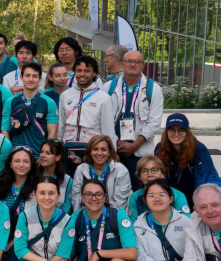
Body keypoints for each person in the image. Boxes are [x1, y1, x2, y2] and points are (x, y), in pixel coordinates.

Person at [105, 50, 163, 186]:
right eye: (129, 61)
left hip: (140, 154)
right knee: (112, 191)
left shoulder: (154, 89)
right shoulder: (108, 87)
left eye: (137, 61)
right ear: (123, 63)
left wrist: (134, 145)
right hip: (113, 151)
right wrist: (114, 142)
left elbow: (154, 123)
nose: (133, 64)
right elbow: (103, 120)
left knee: (141, 191)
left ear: (143, 65)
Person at [155, 114, 221, 210]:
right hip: (173, 191)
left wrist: (199, 205)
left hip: (197, 187)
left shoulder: (199, 149)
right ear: (166, 132)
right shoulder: (160, 148)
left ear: (187, 132)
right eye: (172, 130)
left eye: (181, 130)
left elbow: (204, 180)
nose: (176, 134)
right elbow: (159, 177)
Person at [56, 55, 116, 177]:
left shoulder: (103, 98)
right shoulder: (65, 95)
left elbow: (108, 130)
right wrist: (58, 148)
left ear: (94, 73)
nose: (82, 74)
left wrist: (112, 157)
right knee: (69, 183)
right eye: (79, 70)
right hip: (68, 150)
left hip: (93, 151)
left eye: (87, 71)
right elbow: (61, 125)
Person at [0, 62, 56, 158]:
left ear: (40, 79)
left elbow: (52, 132)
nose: (31, 79)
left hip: (38, 157)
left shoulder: (49, 102)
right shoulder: (10, 101)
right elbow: (5, 130)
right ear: (21, 78)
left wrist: (44, 156)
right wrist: (10, 155)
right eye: (27, 75)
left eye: (34, 76)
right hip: (15, 155)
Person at [70, 135, 132, 211]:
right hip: (86, 212)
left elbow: (120, 202)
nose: (99, 153)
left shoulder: (121, 170)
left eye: (103, 149)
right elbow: (76, 197)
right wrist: (79, 215)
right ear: (90, 152)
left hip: (112, 213)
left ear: (109, 152)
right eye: (95, 149)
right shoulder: (81, 169)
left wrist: (110, 216)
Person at [125, 155, 190, 220]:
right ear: (139, 176)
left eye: (154, 170)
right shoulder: (134, 197)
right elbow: (133, 223)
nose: (150, 174)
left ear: (163, 174)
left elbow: (185, 221)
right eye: (144, 171)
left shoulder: (177, 195)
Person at [37, 139, 73, 212]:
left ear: (57, 157)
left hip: (58, 217)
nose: (43, 155)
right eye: (42, 152)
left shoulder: (67, 180)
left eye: (48, 153)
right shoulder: (33, 176)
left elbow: (66, 206)